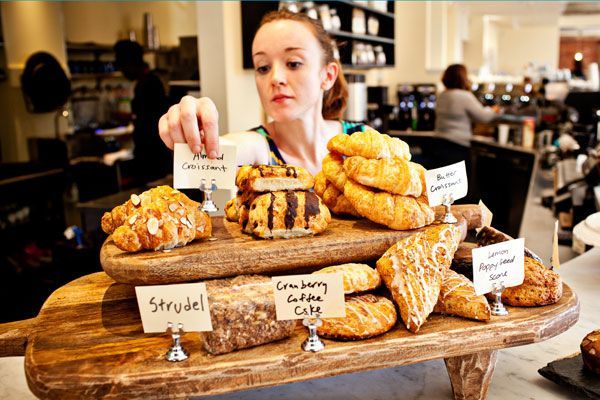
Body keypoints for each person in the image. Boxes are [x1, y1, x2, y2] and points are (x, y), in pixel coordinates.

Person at [158, 10, 367, 176]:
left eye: (293, 63)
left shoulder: (361, 142)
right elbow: (220, 150)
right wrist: (191, 130)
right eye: (263, 68)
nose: (275, 78)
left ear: (328, 76)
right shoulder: (259, 148)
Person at [114, 39, 172, 183]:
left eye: (122, 66)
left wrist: (129, 119)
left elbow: (151, 122)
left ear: (131, 62)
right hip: (150, 156)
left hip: (153, 158)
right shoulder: (145, 82)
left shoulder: (150, 83)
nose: (122, 71)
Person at [435, 64, 498, 143]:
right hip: (458, 143)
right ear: (462, 78)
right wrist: (494, 110)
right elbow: (483, 116)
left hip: (440, 142)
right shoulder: (464, 96)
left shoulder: (442, 95)